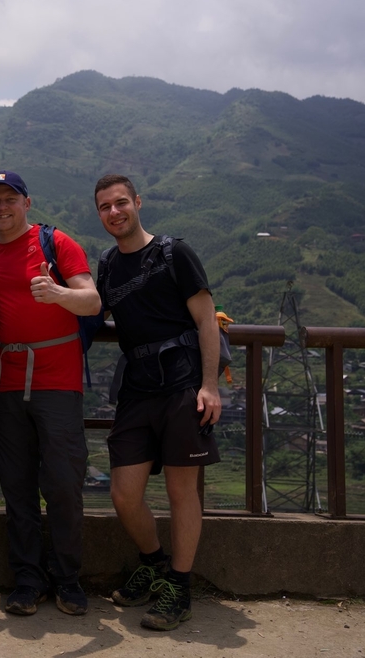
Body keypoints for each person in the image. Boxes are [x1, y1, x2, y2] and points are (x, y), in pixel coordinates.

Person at [93, 174, 221, 631]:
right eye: (105, 206)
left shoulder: (173, 252)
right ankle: (154, 564)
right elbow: (92, 312)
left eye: (120, 203)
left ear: (137, 202)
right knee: (124, 494)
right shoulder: (108, 265)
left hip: (183, 384)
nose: (114, 212)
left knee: (181, 492)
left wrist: (209, 385)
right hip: (136, 387)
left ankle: (179, 588)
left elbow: (206, 319)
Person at [0, 171, 101, 617]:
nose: (2, 207)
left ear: (26, 203)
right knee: (17, 488)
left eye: (10, 198)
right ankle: (28, 580)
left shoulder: (56, 242)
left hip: (58, 382)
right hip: (9, 383)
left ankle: (68, 580)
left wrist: (56, 292)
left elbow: (92, 301)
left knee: (64, 485)